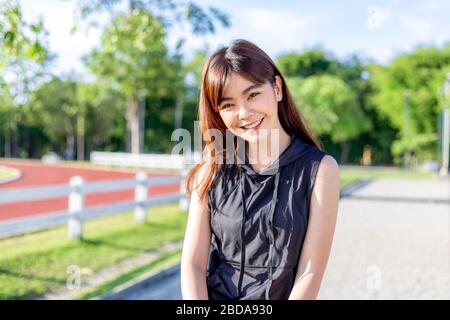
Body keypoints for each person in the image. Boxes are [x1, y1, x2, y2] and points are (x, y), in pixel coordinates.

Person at [180, 39, 340, 300]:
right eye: (228, 104)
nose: (244, 113)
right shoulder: (211, 170)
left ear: (277, 88)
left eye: (253, 94)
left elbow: (309, 272)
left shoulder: (320, 170)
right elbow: (193, 264)